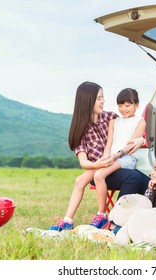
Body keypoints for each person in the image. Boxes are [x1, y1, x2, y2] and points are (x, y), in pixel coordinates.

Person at [49, 81, 149, 231]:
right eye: (99, 98)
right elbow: (84, 162)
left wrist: (141, 139)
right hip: (99, 166)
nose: (103, 101)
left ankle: (108, 217)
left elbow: (130, 131)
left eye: (102, 97)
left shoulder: (111, 117)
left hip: (115, 163)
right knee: (80, 180)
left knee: (126, 175)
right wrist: (99, 164)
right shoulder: (80, 129)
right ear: (88, 101)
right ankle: (68, 220)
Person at [93, 88, 146, 228]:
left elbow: (130, 147)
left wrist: (115, 156)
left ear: (136, 105)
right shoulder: (114, 122)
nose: (123, 109)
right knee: (98, 173)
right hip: (113, 157)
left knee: (99, 175)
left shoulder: (140, 122)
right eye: (120, 105)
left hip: (128, 158)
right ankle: (102, 215)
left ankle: (104, 215)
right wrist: (105, 158)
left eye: (127, 105)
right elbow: (108, 143)